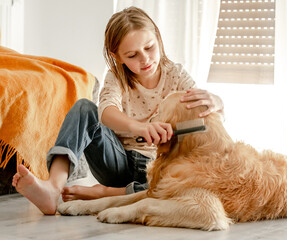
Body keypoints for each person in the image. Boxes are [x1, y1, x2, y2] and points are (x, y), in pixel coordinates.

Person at [12, 6, 224, 215]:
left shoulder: (176, 75)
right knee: (84, 108)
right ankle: (52, 188)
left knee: (177, 184)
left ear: (158, 38)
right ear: (117, 57)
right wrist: (139, 127)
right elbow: (106, 112)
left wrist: (218, 101)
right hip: (118, 163)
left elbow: (204, 116)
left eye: (149, 47)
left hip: (156, 167)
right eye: (132, 55)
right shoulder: (116, 77)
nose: (145, 59)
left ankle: (104, 193)